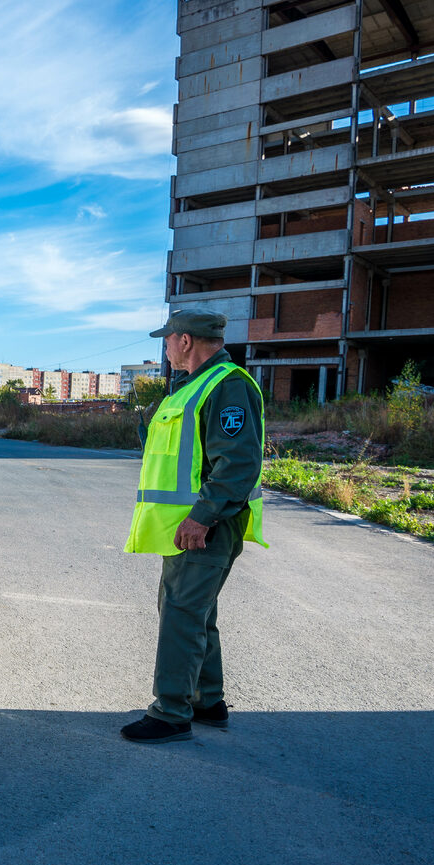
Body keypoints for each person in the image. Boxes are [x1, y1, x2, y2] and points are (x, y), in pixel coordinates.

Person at [120, 310, 267, 744]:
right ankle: (207, 700)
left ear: (185, 341)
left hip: (205, 524)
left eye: (167, 339)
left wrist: (203, 517)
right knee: (193, 611)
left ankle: (170, 714)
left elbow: (238, 464)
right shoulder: (192, 386)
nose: (164, 347)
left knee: (182, 614)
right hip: (188, 524)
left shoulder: (228, 385)